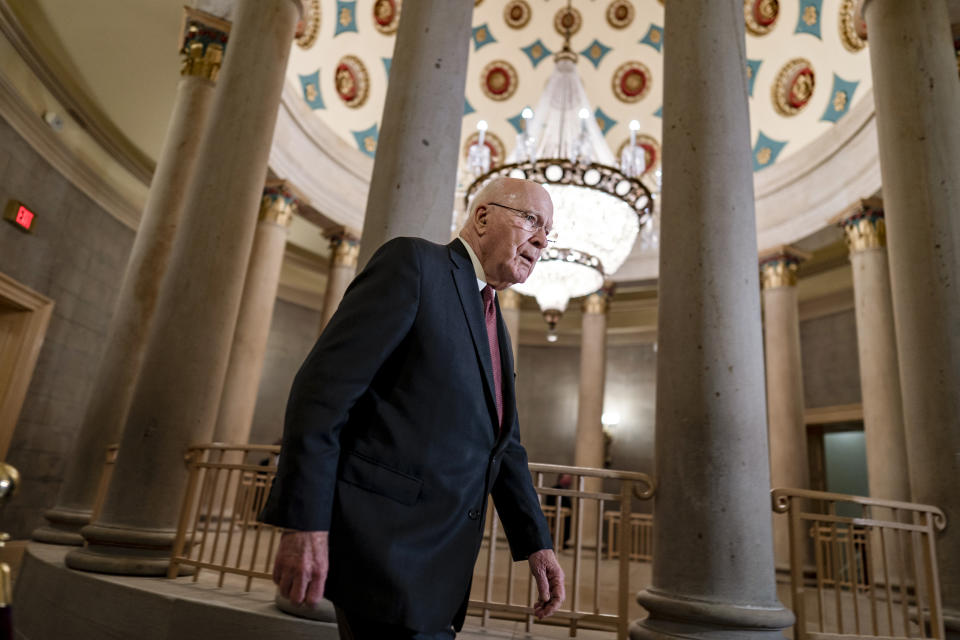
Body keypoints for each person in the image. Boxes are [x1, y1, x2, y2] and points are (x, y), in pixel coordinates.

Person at [261, 176, 566, 639]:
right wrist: (304, 523)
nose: (542, 240)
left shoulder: (493, 318)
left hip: (439, 569)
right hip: (382, 551)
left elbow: (504, 445)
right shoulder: (414, 264)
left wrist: (537, 543)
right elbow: (322, 395)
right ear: (482, 217)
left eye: (549, 231)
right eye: (531, 220)